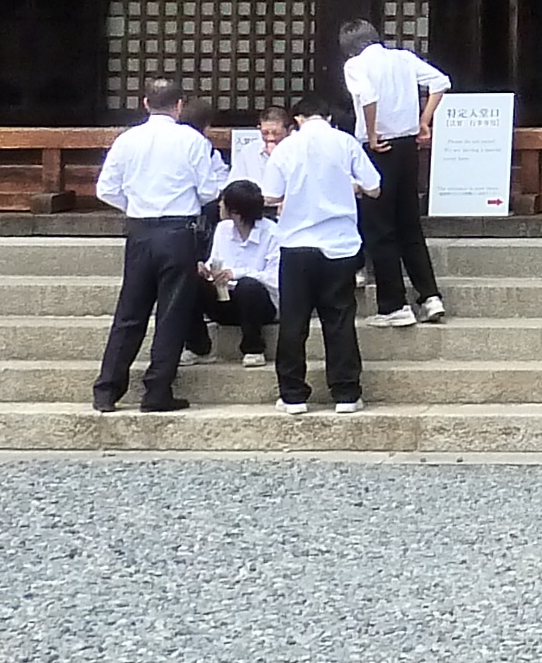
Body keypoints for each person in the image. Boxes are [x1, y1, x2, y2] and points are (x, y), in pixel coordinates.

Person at [89, 76, 230, 414]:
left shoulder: (127, 140)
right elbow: (209, 191)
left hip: (140, 229)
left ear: (145, 103)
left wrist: (136, 204)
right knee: (172, 312)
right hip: (178, 230)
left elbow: (105, 189)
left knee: (130, 312)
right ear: (179, 106)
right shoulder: (191, 141)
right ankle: (157, 390)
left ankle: (107, 389)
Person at [335, 18, 454, 330]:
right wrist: (424, 120)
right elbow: (441, 82)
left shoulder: (355, 66)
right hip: (407, 145)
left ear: (349, 48)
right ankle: (430, 296)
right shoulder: (402, 57)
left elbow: (369, 98)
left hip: (378, 147)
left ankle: (394, 304)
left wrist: (372, 134)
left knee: (380, 227)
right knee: (409, 224)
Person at [261, 103, 381, 413]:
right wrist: (348, 186)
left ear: (298, 120)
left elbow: (270, 194)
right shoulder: (345, 143)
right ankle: (345, 392)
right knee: (339, 320)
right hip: (339, 244)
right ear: (327, 117)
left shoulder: (287, 147)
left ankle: (292, 394)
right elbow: (375, 187)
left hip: (297, 244)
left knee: (293, 321)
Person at [190, 178, 282, 366]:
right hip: (225, 299)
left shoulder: (273, 233)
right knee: (189, 278)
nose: (219, 205)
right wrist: (206, 270)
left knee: (248, 286)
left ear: (236, 211)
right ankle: (198, 347)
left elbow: (275, 279)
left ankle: (254, 348)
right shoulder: (223, 229)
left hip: (261, 305)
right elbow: (215, 260)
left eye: (223, 202)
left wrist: (237, 273)